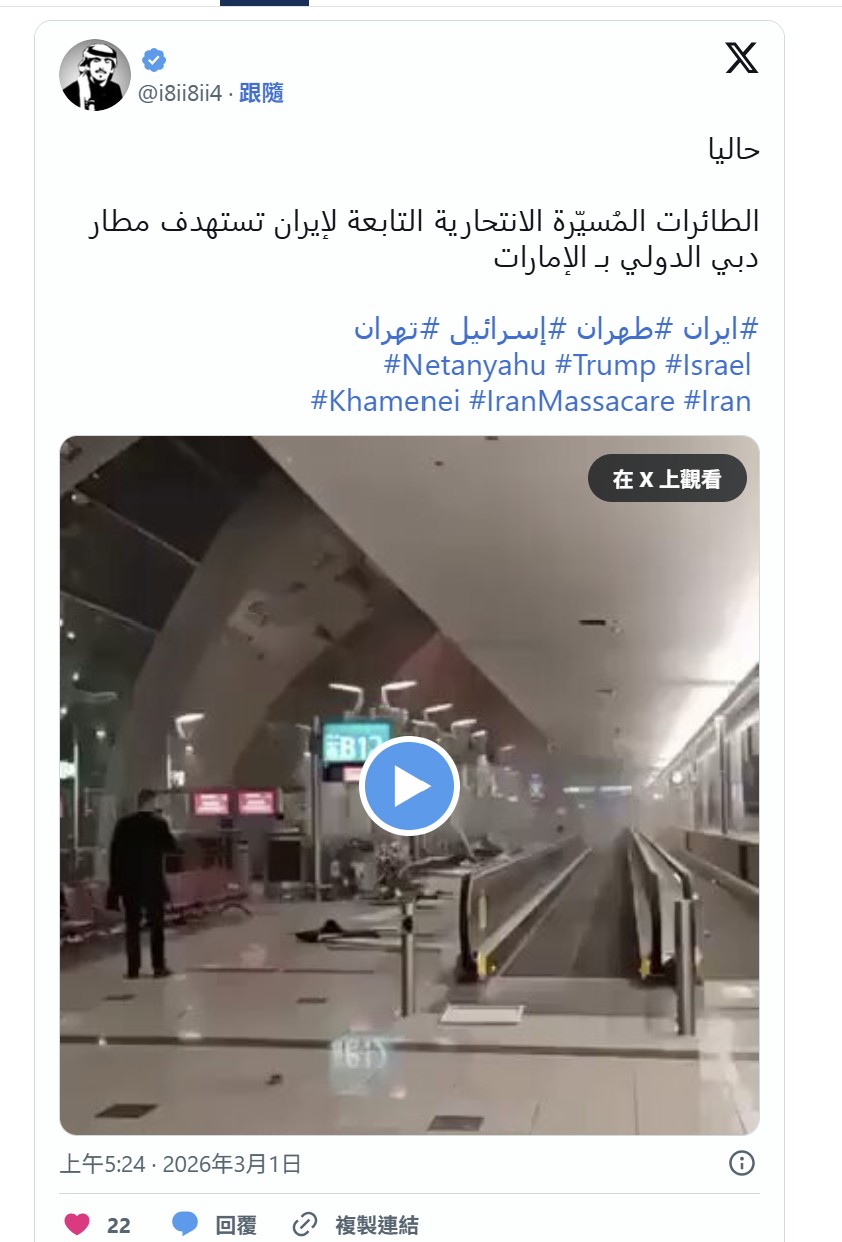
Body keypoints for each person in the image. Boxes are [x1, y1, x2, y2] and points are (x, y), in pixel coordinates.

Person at [108, 790, 179, 978]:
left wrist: (115, 885)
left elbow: (115, 857)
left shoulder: (123, 824)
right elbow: (173, 848)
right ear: (151, 802)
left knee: (132, 926)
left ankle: (133, 969)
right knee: (156, 926)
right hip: (152, 882)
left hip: (130, 884)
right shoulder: (158, 824)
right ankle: (158, 967)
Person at [63, 43, 123, 111]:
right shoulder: (70, 92)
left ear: (112, 69)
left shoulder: (115, 89)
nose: (101, 66)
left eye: (107, 62)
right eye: (96, 61)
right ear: (87, 66)